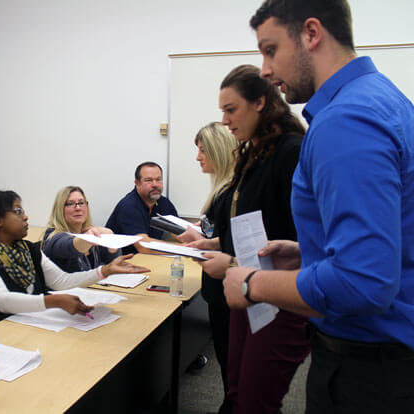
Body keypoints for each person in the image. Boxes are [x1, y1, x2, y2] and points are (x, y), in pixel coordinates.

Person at [221, 1, 414, 412]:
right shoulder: (382, 99)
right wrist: (308, 252)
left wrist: (250, 284)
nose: (266, 71)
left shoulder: (346, 121)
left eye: (271, 50)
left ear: (311, 34)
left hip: (369, 369)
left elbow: (363, 282)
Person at [189, 65, 310, 413]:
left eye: (231, 110)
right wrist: (218, 246)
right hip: (247, 293)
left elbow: (299, 242)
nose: (225, 121)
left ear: (260, 103)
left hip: (279, 300)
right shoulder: (253, 156)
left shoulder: (291, 152)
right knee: (237, 393)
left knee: (256, 400)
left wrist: (232, 262)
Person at [0, 190, 149, 323]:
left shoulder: (28, 249)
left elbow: (61, 281)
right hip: (1, 330)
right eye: (18, 212)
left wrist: (105, 270)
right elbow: (0, 301)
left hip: (35, 322)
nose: (26, 217)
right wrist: (53, 301)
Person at [176, 121, 237, 413]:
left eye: (202, 151)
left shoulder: (229, 193)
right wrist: (203, 240)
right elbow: (222, 239)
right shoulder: (222, 191)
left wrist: (205, 242)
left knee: (233, 367)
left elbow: (232, 245)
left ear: (217, 151)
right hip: (217, 292)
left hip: (228, 293)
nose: (198, 157)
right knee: (229, 364)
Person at [42, 186, 121, 272]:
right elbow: (71, 246)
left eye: (81, 203)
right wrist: (88, 239)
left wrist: (110, 236)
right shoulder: (53, 238)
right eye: (70, 204)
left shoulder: (88, 233)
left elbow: (114, 264)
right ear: (60, 209)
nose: (78, 208)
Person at [106, 161, 179, 254]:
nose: (155, 184)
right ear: (137, 183)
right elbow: (144, 247)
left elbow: (180, 232)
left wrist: (197, 243)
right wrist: (183, 248)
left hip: (146, 258)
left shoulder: (162, 202)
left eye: (158, 179)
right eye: (148, 180)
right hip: (122, 261)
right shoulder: (129, 206)